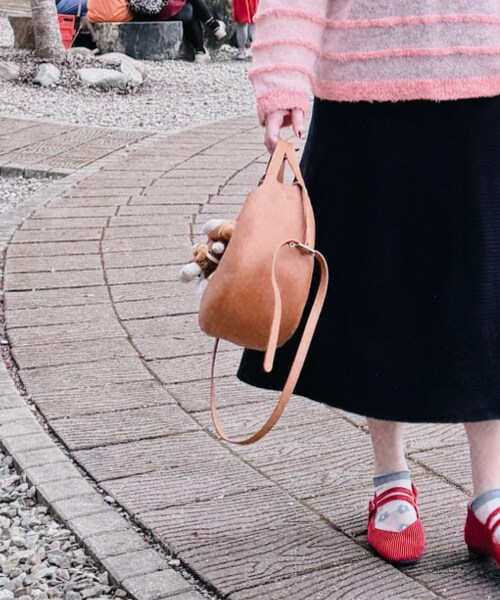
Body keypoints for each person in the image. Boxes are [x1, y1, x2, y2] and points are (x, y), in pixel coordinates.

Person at [238, 0, 500, 567]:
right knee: (379, 292)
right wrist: (282, 79)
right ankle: (390, 478)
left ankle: (491, 494)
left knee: (486, 295)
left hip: (486, 86)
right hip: (364, 100)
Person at [133, 0, 226, 63]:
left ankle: (201, 50)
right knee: (190, 9)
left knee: (189, 8)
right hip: (159, 9)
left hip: (141, 10)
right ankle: (213, 26)